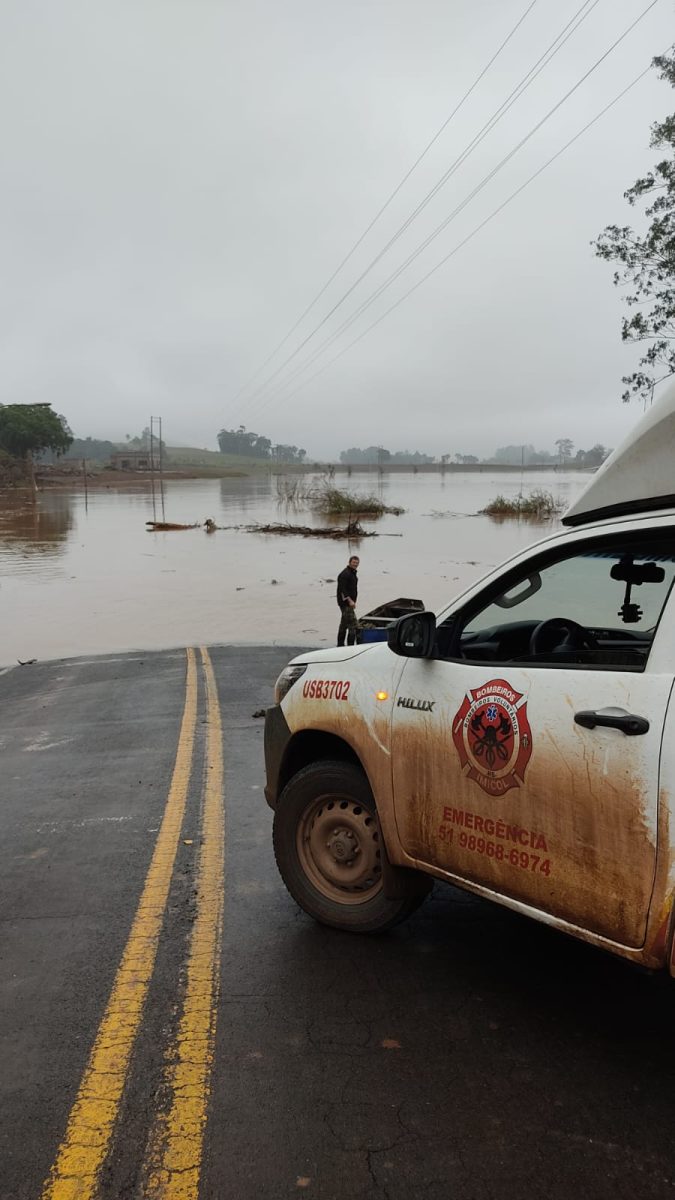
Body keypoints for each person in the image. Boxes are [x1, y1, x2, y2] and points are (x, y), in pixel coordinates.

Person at [337, 555, 360, 646]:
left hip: (349, 603)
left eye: (357, 563)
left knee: (343, 624)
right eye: (354, 562)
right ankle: (350, 646)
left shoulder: (352, 573)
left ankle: (340, 645)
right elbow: (343, 590)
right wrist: (350, 601)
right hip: (345, 603)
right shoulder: (345, 574)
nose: (355, 564)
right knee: (353, 625)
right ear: (349, 562)